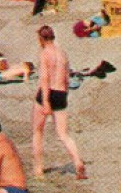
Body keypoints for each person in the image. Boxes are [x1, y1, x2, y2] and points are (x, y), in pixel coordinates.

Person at [31, 26, 86, 181]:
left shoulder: (44, 54)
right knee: (63, 134)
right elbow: (67, 78)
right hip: (61, 93)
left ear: (41, 39)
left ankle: (38, 168)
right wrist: (65, 94)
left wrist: (46, 101)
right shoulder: (62, 54)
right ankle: (77, 161)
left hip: (47, 92)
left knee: (37, 132)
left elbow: (44, 79)